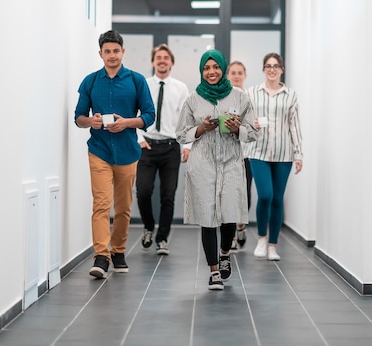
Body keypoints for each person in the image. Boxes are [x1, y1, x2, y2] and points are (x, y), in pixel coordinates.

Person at [74, 30, 155, 278]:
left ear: (123, 52)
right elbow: (78, 118)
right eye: (107, 51)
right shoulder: (90, 81)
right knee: (101, 204)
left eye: (116, 51)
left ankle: (118, 250)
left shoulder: (136, 80)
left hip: (128, 152)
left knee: (123, 207)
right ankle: (101, 256)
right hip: (99, 151)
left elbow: (150, 116)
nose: (112, 55)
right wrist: (92, 121)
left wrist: (127, 123)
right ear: (100, 54)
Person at [176, 49, 257, 290]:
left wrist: (236, 129)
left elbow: (252, 132)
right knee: (207, 216)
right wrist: (201, 129)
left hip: (231, 162)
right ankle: (213, 271)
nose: (211, 72)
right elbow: (180, 133)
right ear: (202, 71)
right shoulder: (192, 99)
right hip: (203, 164)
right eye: (206, 68)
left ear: (222, 69)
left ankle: (224, 253)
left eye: (215, 67)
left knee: (230, 213)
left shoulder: (240, 97)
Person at [245, 52, 303, 261]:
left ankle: (272, 245)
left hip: (283, 153)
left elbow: (294, 126)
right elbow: (243, 120)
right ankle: (261, 238)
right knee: (265, 195)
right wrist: (253, 123)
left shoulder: (290, 95)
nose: (272, 69)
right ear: (263, 69)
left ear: (281, 69)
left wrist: (299, 154)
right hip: (257, 151)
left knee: (278, 199)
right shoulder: (252, 93)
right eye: (268, 66)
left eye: (276, 66)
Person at [136, 44, 190, 255]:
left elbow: (186, 119)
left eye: (166, 58)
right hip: (147, 145)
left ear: (171, 62)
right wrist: (139, 138)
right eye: (158, 57)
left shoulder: (180, 88)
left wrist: (187, 146)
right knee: (143, 191)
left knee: (168, 195)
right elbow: (134, 112)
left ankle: (162, 238)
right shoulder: (143, 85)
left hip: (170, 147)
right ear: (153, 62)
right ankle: (149, 226)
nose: (162, 60)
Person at [226, 61, 253, 252]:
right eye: (233, 73)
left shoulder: (250, 97)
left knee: (245, 194)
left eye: (239, 73)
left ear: (245, 75)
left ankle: (241, 224)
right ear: (228, 76)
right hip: (227, 154)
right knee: (229, 195)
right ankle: (232, 235)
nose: (236, 76)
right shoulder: (224, 97)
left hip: (246, 153)